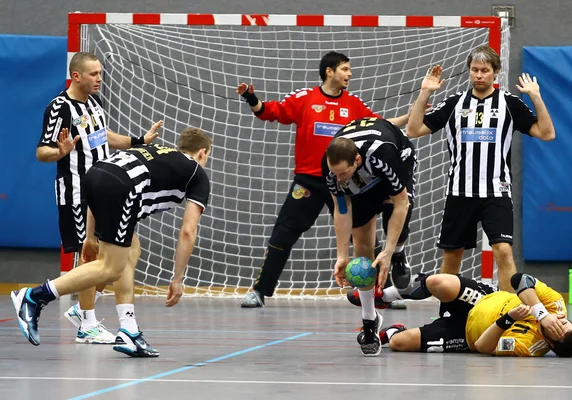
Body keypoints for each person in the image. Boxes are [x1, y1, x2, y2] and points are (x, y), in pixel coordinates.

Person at [12, 127, 212, 357]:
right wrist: (177, 279)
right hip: (121, 189)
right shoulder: (197, 174)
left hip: (97, 175)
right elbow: (188, 231)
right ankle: (34, 297)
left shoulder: (158, 151)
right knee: (110, 267)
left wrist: (89, 236)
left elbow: (106, 177)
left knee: (131, 250)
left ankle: (128, 330)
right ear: (203, 153)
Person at [237, 51, 411, 308]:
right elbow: (270, 112)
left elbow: (379, 123)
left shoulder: (353, 104)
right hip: (309, 181)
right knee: (283, 233)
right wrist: (250, 97)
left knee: (363, 238)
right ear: (329, 71)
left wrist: (412, 115)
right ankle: (259, 291)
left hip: (346, 183)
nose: (349, 74)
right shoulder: (304, 98)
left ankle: (381, 291)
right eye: (345, 69)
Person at [406, 46, 556, 291]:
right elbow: (413, 130)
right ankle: (448, 315)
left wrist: (536, 97)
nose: (478, 75)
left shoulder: (509, 103)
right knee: (452, 256)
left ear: (495, 72)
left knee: (504, 251)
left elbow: (547, 133)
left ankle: (509, 312)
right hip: (459, 192)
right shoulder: (455, 103)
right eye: (474, 70)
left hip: (496, 191)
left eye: (484, 70)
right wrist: (425, 93)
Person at [36, 51, 160, 343]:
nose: (99, 79)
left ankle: (82, 308)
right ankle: (87, 325)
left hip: (105, 189)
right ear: (76, 76)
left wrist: (139, 141)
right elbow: (42, 151)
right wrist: (60, 152)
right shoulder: (59, 107)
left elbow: (103, 136)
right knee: (89, 254)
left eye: (100, 73)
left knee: (129, 251)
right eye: (94, 74)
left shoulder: (95, 102)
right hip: (77, 189)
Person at [322, 117, 417, 356]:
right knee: (362, 247)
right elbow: (342, 208)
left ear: (356, 160)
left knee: (395, 220)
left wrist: (387, 251)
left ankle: (398, 253)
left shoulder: (383, 156)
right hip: (362, 176)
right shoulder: (333, 169)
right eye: (336, 174)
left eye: (343, 173)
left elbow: (401, 204)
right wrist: (341, 256)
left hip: (396, 161)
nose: (339, 179)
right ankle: (369, 321)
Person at [380, 272, 572, 357]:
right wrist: (542, 314)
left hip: (465, 335)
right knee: (438, 283)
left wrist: (509, 319)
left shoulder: (529, 346)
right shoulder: (555, 305)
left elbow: (482, 346)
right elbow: (520, 279)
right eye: (564, 321)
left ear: (551, 344)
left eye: (557, 328)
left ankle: (394, 331)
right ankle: (390, 294)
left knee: (398, 344)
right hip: (482, 299)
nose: (557, 321)